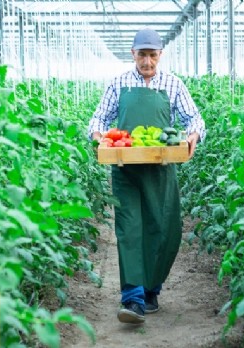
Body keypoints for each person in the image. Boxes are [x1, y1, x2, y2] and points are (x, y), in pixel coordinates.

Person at [87, 28, 206, 324]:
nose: (148, 62)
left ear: (160, 55)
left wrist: (193, 135)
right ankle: (133, 298)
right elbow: (99, 118)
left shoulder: (173, 84)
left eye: (153, 55)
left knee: (163, 229)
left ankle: (152, 287)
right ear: (133, 54)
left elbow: (194, 119)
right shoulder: (119, 84)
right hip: (125, 169)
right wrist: (100, 136)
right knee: (129, 230)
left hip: (161, 170)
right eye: (142, 55)